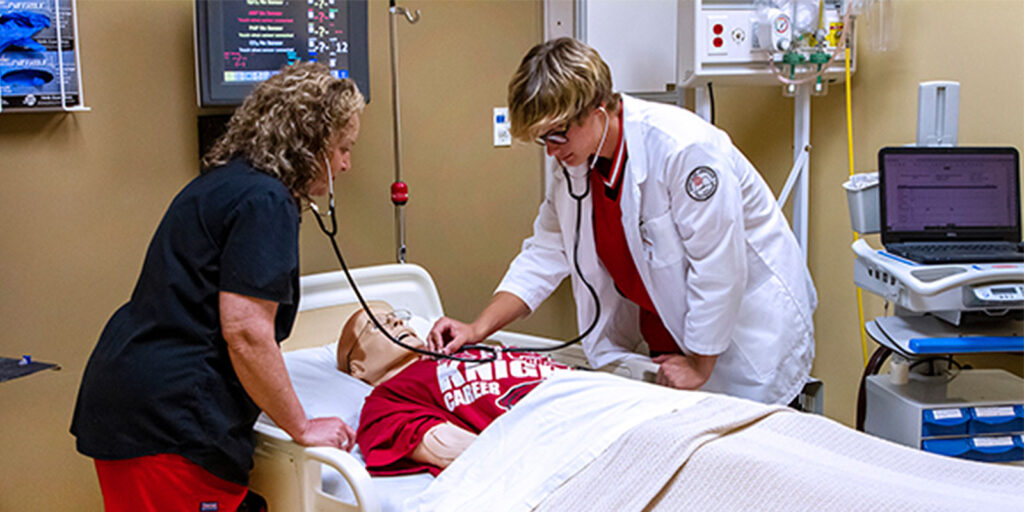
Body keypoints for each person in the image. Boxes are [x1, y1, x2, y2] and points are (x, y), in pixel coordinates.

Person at [428, 37, 817, 405]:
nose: (550, 152)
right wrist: (477, 329)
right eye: (541, 140)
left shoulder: (683, 149)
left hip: (741, 343)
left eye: (557, 136)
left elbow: (718, 265)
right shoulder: (576, 167)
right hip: (669, 339)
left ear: (597, 111)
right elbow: (545, 252)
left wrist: (700, 363)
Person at [71, 62, 364, 512]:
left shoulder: (225, 182)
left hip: (134, 399)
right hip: (170, 419)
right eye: (342, 148)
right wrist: (301, 427)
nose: (346, 163)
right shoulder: (266, 201)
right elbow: (246, 331)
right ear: (311, 141)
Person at [337, 303, 570, 476]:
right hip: (561, 435)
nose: (398, 323)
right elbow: (452, 447)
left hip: (588, 392)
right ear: (358, 368)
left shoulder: (466, 347)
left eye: (396, 317)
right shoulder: (386, 400)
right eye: (377, 325)